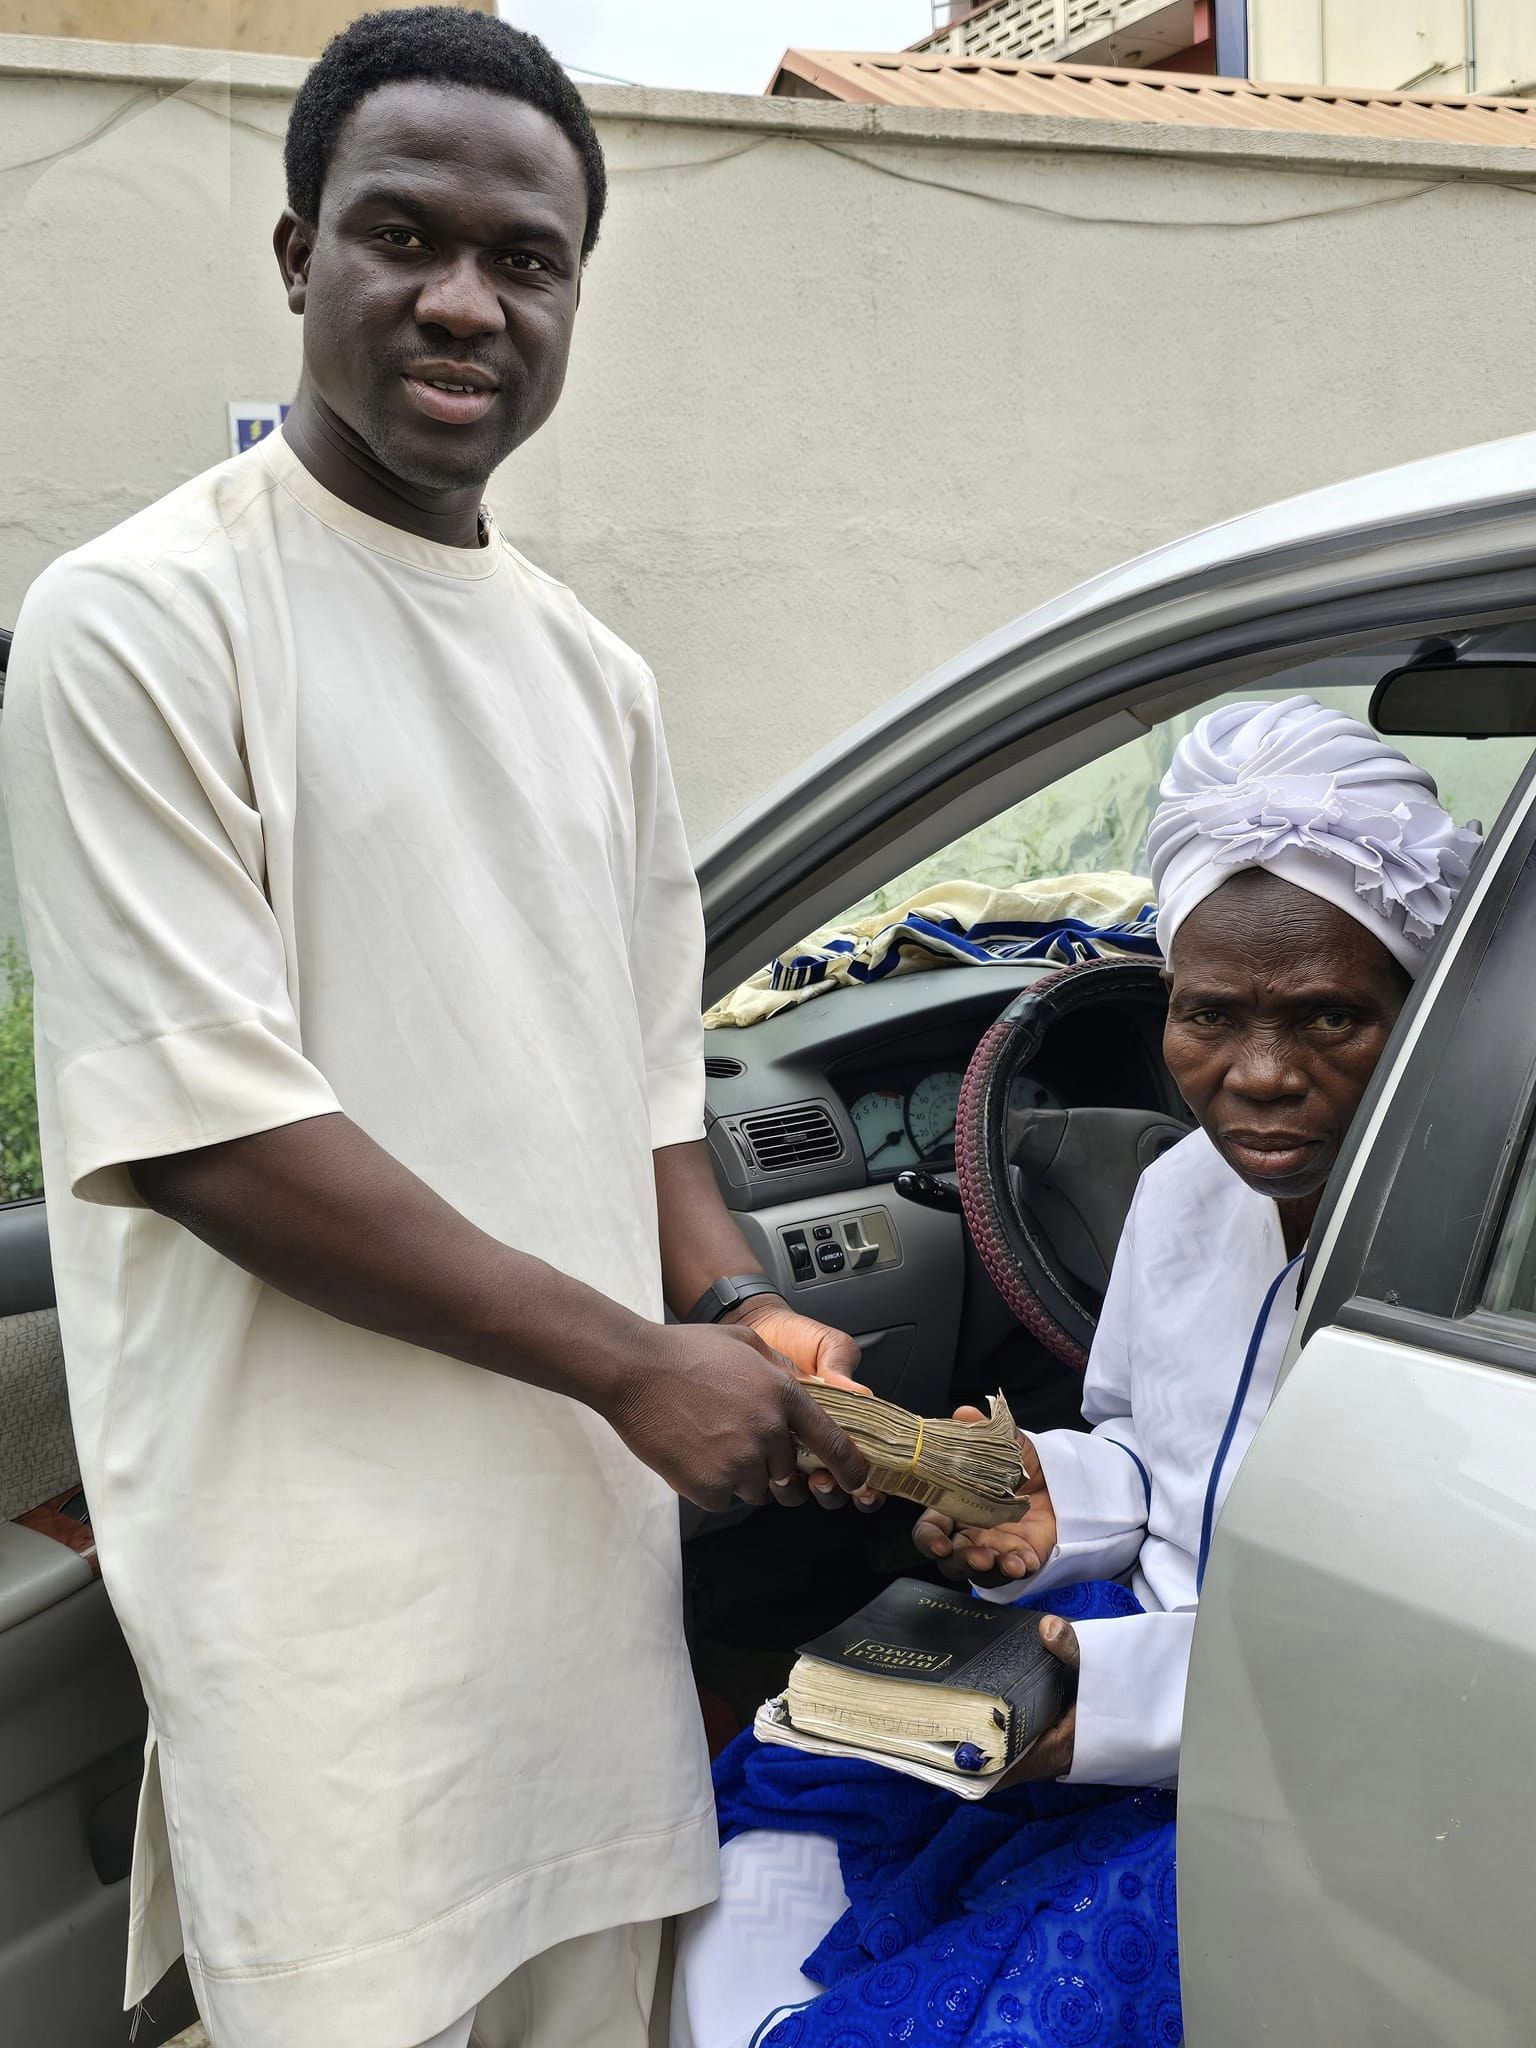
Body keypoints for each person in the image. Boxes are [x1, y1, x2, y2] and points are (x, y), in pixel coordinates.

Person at [0, 12, 876, 2048]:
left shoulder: (596, 678)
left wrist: (742, 1311)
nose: (467, 299)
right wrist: (638, 1371)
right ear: (302, 256)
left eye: (529, 256)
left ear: (579, 288)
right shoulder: (143, 619)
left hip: (581, 1617)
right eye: (406, 238)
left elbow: (644, 1094)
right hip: (329, 1652)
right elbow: (211, 1134)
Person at [668, 694, 1481, 2048]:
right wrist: (1051, 1506)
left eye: (1330, 1019)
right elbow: (1142, 1451)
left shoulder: (1476, 1257)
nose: (1258, 1076)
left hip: (1318, 1756)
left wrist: (1103, 1706)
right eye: (1211, 1014)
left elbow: (1412, 1654)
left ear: (1420, 1013)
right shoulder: (1179, 1194)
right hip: (1100, 1667)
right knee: (799, 1777)